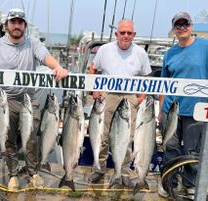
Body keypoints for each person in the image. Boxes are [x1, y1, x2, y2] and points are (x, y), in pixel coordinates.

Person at [0, 8, 68, 190]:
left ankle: (33, 172)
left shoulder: (33, 44)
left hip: (27, 98)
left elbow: (45, 57)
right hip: (4, 99)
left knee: (32, 136)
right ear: (7, 25)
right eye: (13, 22)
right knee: (8, 138)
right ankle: (13, 174)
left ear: (24, 26)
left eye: (20, 22)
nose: (17, 26)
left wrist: (57, 67)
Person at [88, 19, 152, 184]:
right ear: (116, 34)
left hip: (129, 96)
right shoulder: (105, 49)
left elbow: (147, 77)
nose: (125, 36)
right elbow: (93, 68)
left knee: (127, 137)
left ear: (134, 35)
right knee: (101, 134)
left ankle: (123, 172)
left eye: (129, 33)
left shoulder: (140, 53)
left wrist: (142, 97)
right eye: (122, 32)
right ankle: (99, 168)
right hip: (107, 95)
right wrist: (94, 89)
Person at [157, 12, 208, 199]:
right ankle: (169, 182)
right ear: (173, 30)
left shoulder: (204, 45)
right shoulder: (169, 53)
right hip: (171, 110)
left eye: (184, 24)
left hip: (197, 108)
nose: (181, 28)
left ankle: (190, 183)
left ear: (191, 25)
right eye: (177, 25)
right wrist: (161, 110)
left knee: (193, 150)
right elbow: (164, 83)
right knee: (170, 148)